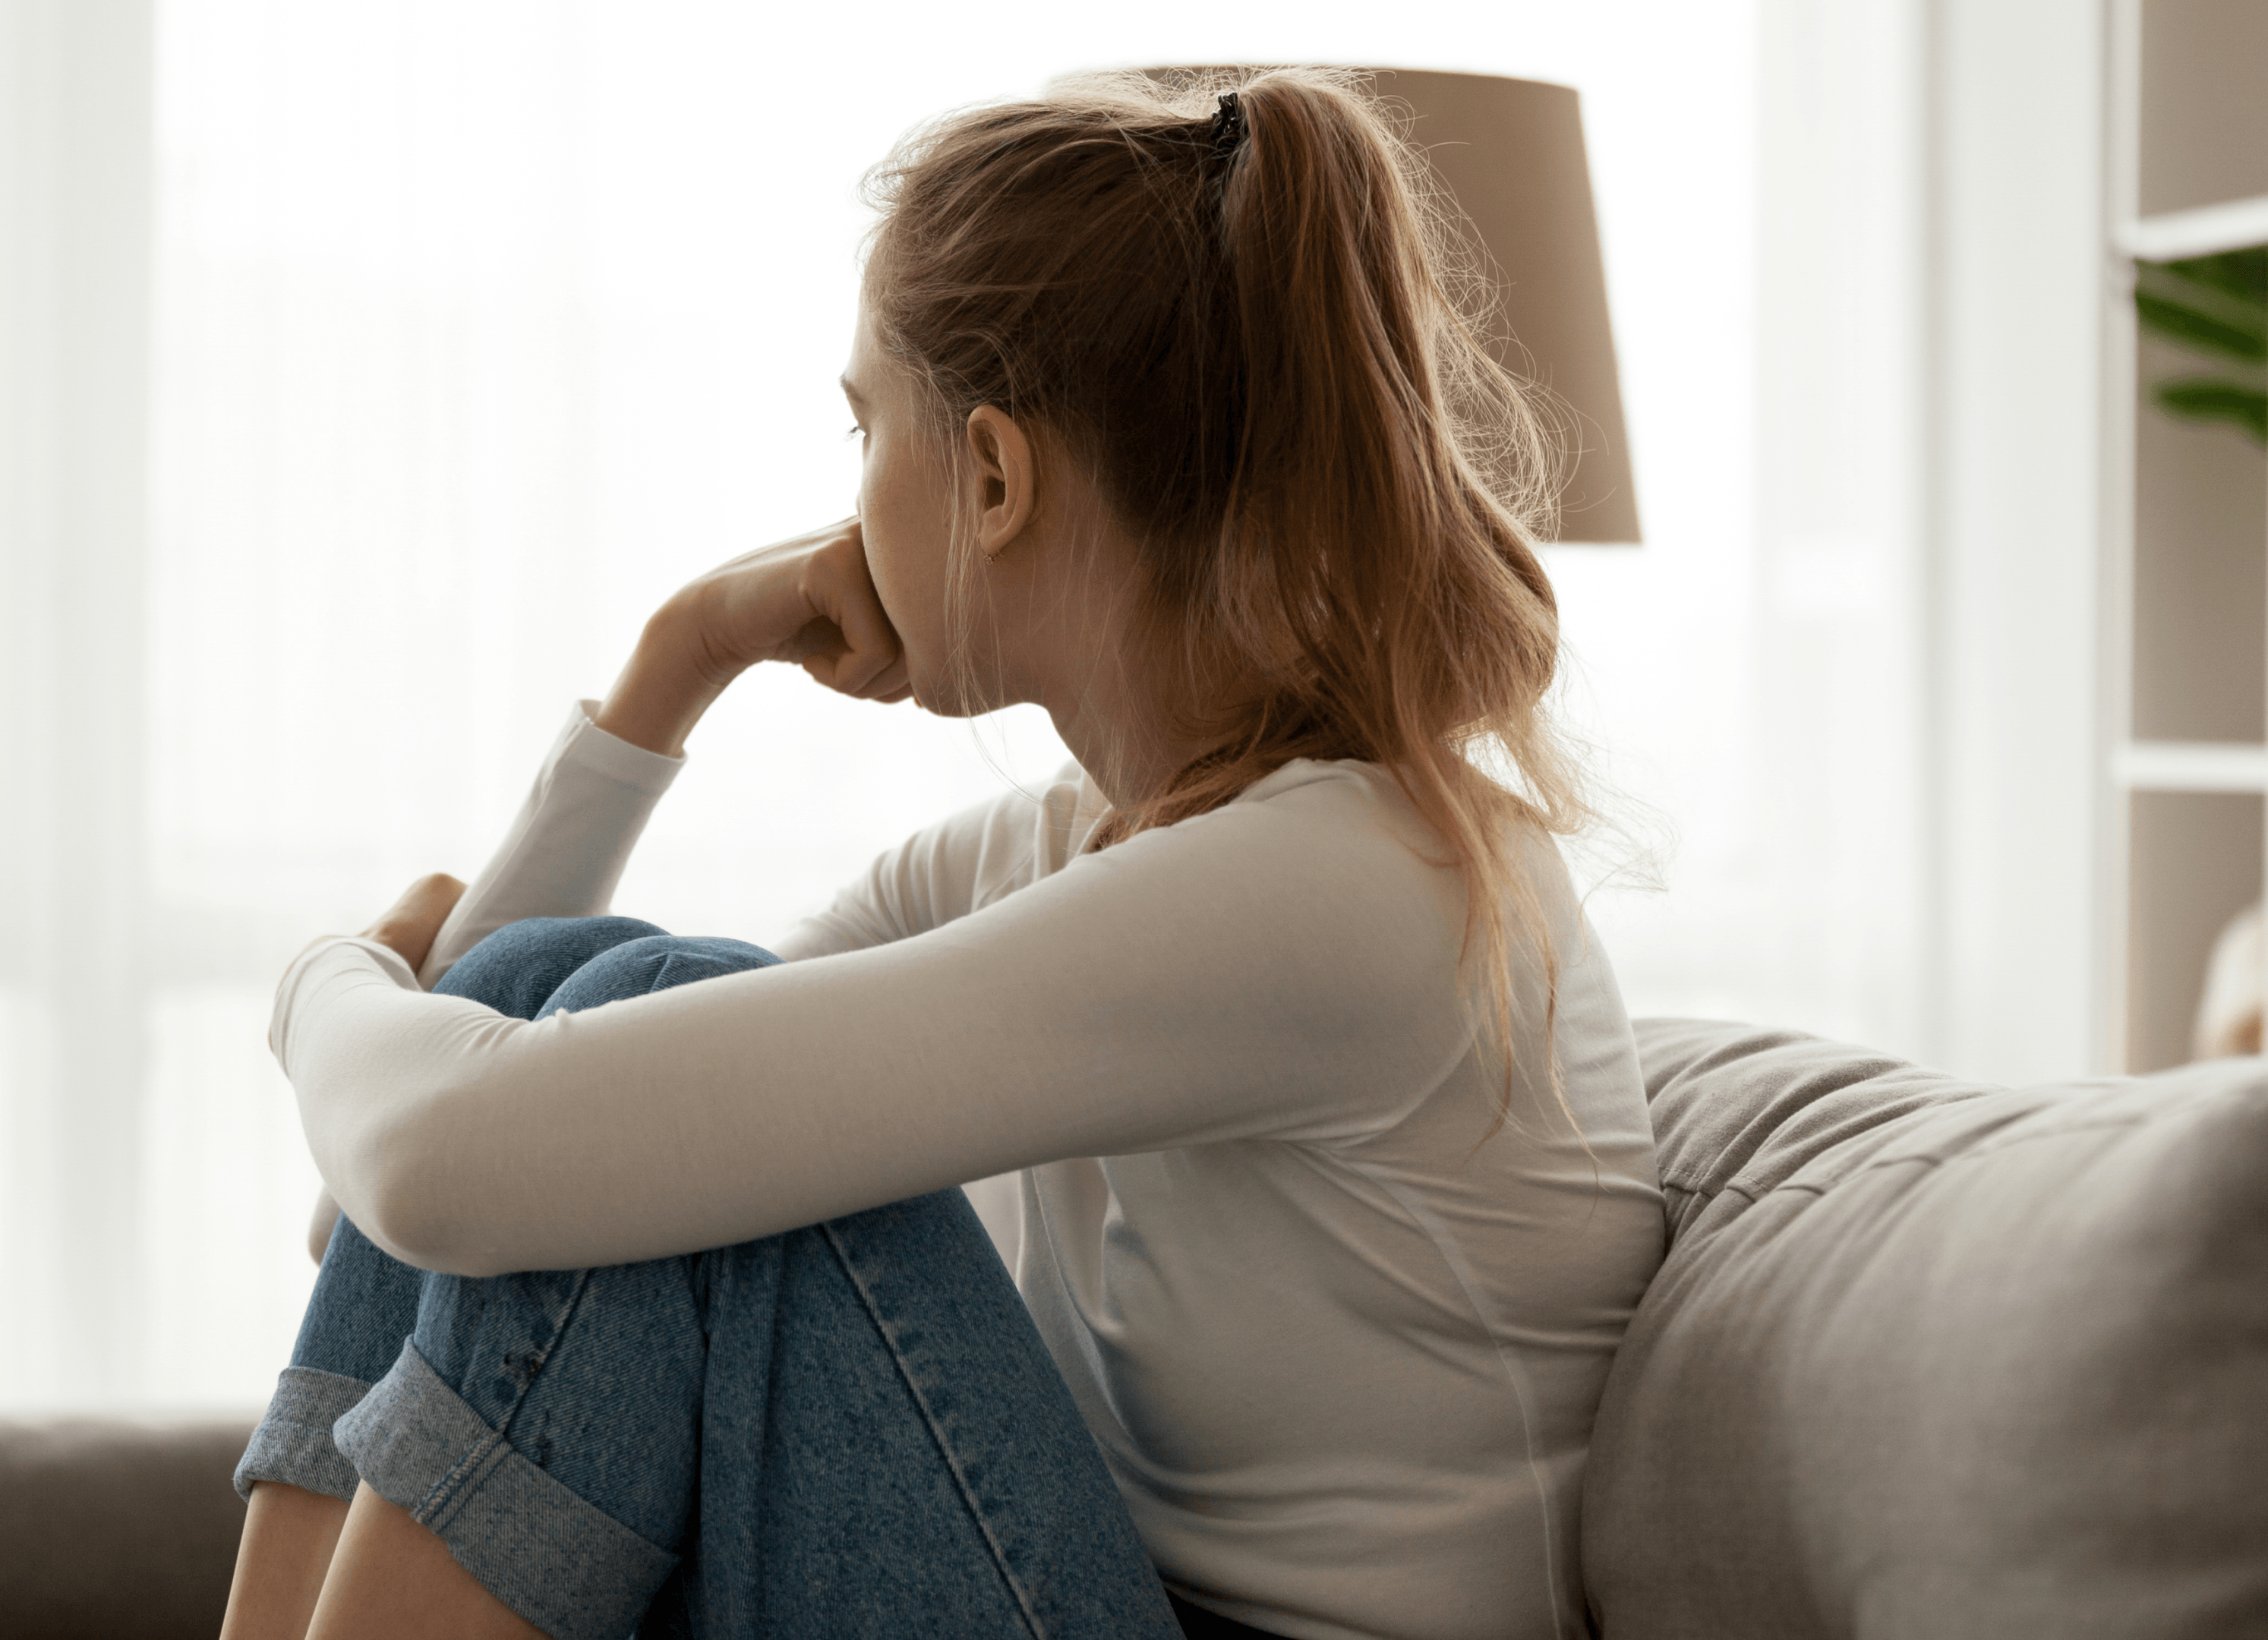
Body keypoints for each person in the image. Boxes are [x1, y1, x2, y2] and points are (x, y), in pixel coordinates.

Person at [216, 66, 1664, 1640]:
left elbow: (441, 1161)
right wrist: (677, 664)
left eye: (863, 429)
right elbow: (450, 1183)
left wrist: (320, 988)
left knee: (654, 1060)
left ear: (992, 475)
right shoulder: (1072, 851)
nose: (846, 497)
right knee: (605, 1011)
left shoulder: (1345, 889)